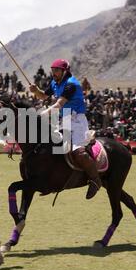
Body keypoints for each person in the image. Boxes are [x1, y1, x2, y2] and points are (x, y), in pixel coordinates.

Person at [28, 59, 101, 200]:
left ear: (64, 71)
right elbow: (44, 96)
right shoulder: (55, 82)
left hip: (78, 120)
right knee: (50, 146)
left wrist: (41, 114)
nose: (54, 73)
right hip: (65, 120)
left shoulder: (71, 84)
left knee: (78, 152)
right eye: (53, 70)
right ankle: (51, 182)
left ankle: (95, 180)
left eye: (57, 70)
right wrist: (36, 91)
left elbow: (59, 104)